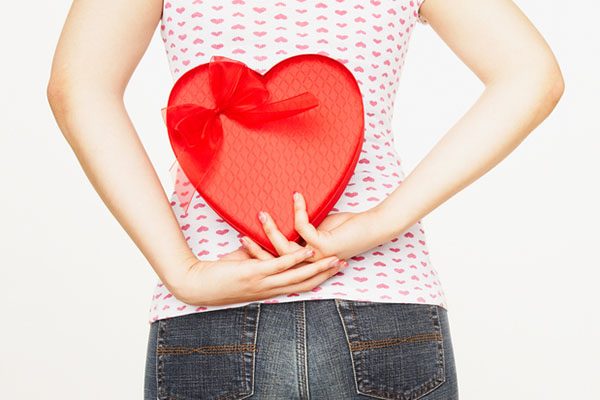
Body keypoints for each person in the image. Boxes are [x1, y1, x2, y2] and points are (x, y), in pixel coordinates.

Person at [47, 0, 564, 399]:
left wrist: (185, 272)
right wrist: (383, 220)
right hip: (384, 298)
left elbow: (78, 87)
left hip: (213, 305)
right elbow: (531, 73)